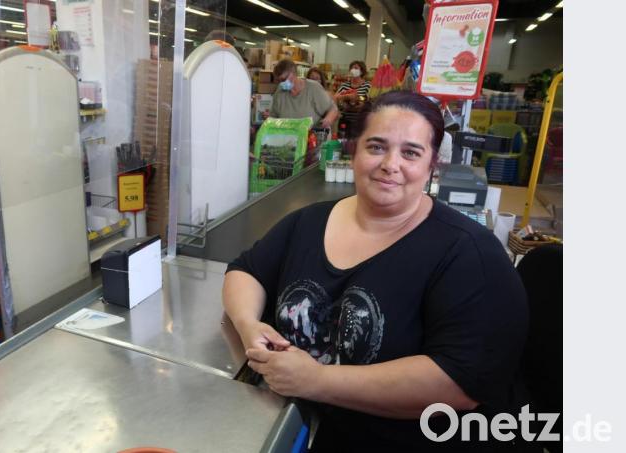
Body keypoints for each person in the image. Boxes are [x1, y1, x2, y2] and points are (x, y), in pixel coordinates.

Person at [223, 91, 533, 451]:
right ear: (353, 152)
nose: (391, 164)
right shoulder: (309, 221)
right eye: (376, 147)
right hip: (293, 425)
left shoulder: (468, 254)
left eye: (411, 153)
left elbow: (459, 385)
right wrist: (248, 326)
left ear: (433, 164)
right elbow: (246, 271)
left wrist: (317, 381)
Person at [266, 59, 339, 130]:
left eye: (283, 79)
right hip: (288, 138)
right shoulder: (280, 91)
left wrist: (328, 119)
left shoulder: (313, 88)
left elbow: (333, 109)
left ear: (294, 74)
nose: (281, 83)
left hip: (311, 138)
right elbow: (274, 116)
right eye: (278, 80)